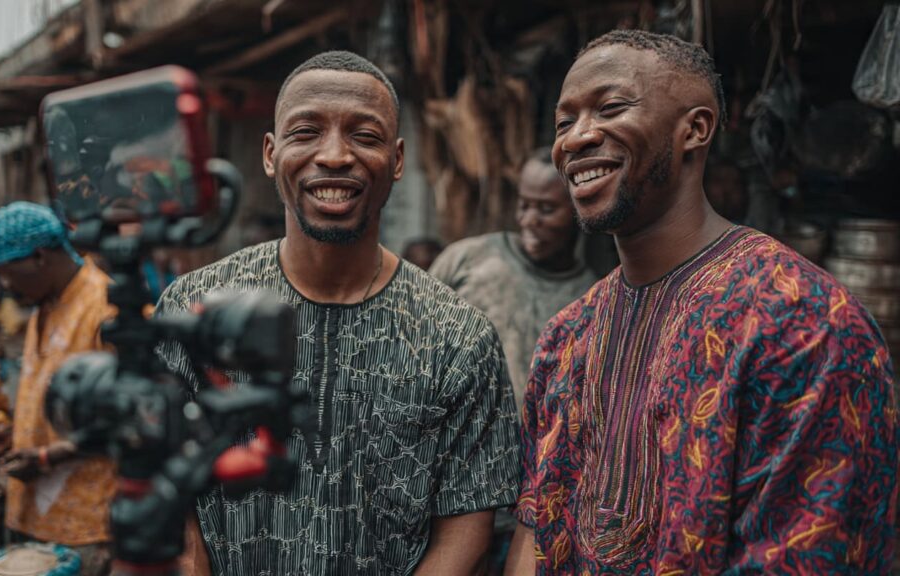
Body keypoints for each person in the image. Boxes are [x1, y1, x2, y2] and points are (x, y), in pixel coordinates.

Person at [506, 30, 896, 575]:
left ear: (694, 129)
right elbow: (535, 525)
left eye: (610, 108)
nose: (577, 137)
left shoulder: (804, 323)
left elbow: (811, 552)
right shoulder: (567, 337)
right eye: (564, 121)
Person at [157, 51, 520, 575]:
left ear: (397, 159)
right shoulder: (196, 310)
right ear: (270, 153)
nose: (333, 155)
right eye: (306, 132)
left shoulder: (458, 337)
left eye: (364, 136)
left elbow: (466, 526)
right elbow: (169, 493)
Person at [0, 202, 116, 576]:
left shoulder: (106, 309)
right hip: (35, 516)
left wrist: (45, 458)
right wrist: (17, 433)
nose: (5, 287)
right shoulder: (45, 305)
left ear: (39, 257)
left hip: (85, 523)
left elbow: (135, 417)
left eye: (6, 275)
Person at [431, 148, 596, 407]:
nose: (529, 220)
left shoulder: (589, 298)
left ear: (580, 210)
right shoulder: (467, 259)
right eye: (524, 205)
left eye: (546, 209)